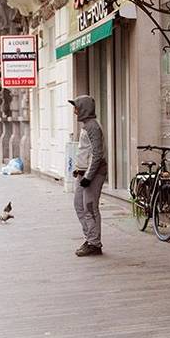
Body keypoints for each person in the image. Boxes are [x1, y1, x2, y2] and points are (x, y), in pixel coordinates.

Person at [70, 95, 106, 256]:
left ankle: (94, 244)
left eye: (76, 107)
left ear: (84, 108)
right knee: (79, 206)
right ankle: (90, 238)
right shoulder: (86, 126)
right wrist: (79, 169)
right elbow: (86, 151)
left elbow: (97, 154)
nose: (75, 110)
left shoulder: (93, 127)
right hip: (84, 173)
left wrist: (88, 177)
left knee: (90, 208)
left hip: (93, 174)